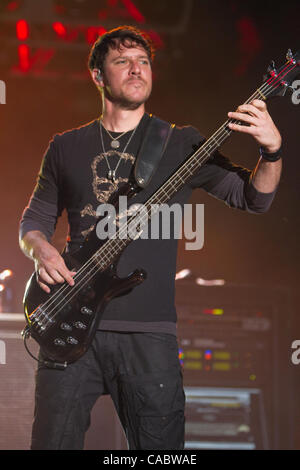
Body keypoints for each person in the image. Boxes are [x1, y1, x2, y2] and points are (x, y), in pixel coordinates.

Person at [19, 25, 282, 450]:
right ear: (98, 76)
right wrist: (40, 248)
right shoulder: (65, 147)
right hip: (68, 316)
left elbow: (253, 199)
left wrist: (272, 152)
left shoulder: (179, 143)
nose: (136, 68)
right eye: (122, 61)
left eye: (143, 61)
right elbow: (34, 221)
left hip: (148, 332)